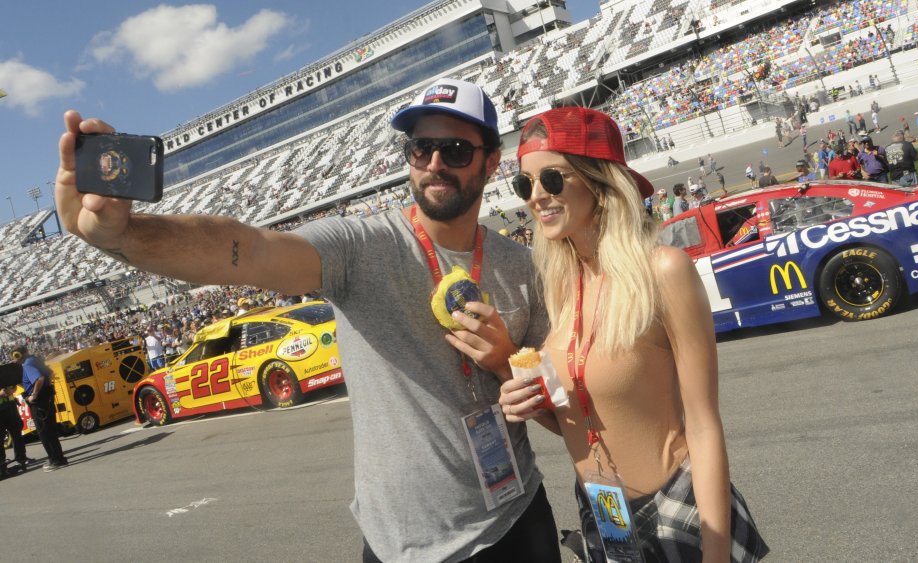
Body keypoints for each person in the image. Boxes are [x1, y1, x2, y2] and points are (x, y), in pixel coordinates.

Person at [55, 78, 560, 562]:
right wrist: (122, 235)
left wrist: (505, 370)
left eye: (454, 150)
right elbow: (247, 250)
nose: (433, 164)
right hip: (403, 546)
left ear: (492, 161)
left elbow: (559, 409)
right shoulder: (361, 248)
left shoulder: (522, 266)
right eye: (419, 148)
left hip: (516, 522)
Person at [500, 107, 768, 562]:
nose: (536, 197)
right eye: (525, 184)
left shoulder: (662, 271)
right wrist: (528, 401)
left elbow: (703, 426)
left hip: (679, 509)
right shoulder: (561, 285)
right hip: (604, 514)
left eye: (553, 179)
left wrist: (717, 554)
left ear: (600, 182)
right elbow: (580, 417)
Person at [15, 345, 68, 472]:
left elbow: (40, 378)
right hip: (46, 398)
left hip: (39, 402)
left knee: (45, 432)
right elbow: (50, 374)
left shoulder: (27, 364)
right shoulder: (35, 360)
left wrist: (34, 395)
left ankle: (56, 460)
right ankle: (58, 458)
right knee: (50, 430)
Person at [0, 379, 30, 478]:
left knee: (17, 434)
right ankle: (2, 466)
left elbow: (12, 385)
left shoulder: (4, 372)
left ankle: (21, 459)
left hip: (10, 406)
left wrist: (13, 389)